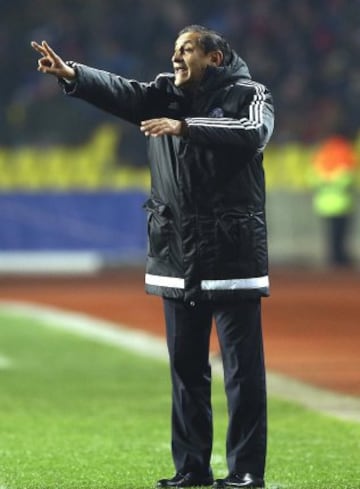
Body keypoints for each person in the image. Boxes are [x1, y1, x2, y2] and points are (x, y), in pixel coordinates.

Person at [31, 24, 274, 489]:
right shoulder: (164, 93)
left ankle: (245, 471)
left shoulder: (250, 94)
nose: (176, 57)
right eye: (174, 50)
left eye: (186, 50)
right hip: (176, 252)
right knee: (186, 371)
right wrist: (73, 75)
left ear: (214, 59)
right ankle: (192, 468)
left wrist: (185, 127)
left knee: (243, 373)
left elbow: (251, 132)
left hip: (231, 253)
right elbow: (123, 92)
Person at [311, 134, 357, 267]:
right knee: (340, 233)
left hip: (324, 203)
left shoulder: (321, 154)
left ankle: (333, 257)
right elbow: (348, 177)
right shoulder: (343, 153)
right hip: (341, 202)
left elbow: (313, 177)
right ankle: (339, 257)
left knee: (331, 234)